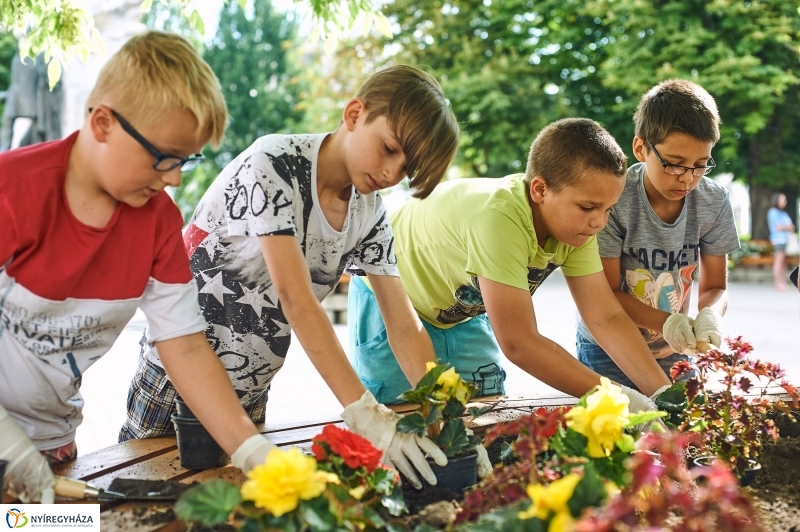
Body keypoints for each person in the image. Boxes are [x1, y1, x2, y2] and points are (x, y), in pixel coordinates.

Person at [120, 65, 465, 489]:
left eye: (406, 167)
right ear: (355, 113)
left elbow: (403, 324)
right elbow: (295, 298)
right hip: (177, 380)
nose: (392, 174)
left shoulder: (370, 211)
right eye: (389, 148)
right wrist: (363, 411)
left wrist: (446, 416)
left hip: (252, 388)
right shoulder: (275, 162)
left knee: (227, 512)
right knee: (132, 502)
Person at [0, 31, 290, 503]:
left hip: (54, 450)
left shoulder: (158, 222)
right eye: (164, 158)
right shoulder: (10, 192)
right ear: (102, 123)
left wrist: (251, 448)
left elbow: (187, 349)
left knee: (65, 523)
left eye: (186, 160)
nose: (175, 177)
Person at [347, 117, 672, 414]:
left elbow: (606, 316)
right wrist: (616, 398)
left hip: (459, 311)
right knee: (407, 423)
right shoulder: (499, 218)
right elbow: (520, 342)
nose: (599, 222)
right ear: (540, 189)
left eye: (608, 209)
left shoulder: (578, 226)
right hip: (389, 297)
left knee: (482, 416)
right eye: (588, 207)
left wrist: (660, 395)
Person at [576, 80, 740, 389]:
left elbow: (716, 286)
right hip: (606, 347)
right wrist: (667, 322)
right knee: (622, 430)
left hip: (673, 348)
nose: (688, 178)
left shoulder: (713, 201)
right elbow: (606, 294)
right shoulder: (615, 199)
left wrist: (710, 316)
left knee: (688, 430)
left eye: (701, 165)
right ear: (641, 148)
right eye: (675, 164)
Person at [768, 193, 796, 291]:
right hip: (778, 240)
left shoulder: (784, 213)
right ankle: (778, 282)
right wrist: (788, 227)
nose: (785, 202)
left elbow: (791, 227)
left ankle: (782, 282)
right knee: (779, 261)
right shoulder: (773, 212)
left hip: (786, 239)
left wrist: (788, 227)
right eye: (783, 199)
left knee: (784, 262)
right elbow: (778, 227)